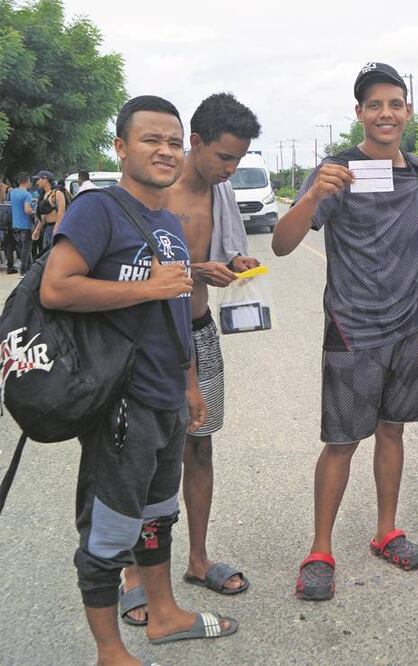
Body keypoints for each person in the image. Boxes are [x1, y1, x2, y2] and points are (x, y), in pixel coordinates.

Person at [40, 95, 237, 666]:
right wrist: (145, 288)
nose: (166, 151)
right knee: (109, 533)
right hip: (118, 403)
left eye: (174, 142)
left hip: (166, 397)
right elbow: (58, 287)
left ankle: (166, 614)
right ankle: (110, 650)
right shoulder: (97, 210)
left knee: (158, 515)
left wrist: (190, 383)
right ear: (122, 147)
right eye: (152, 139)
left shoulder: (168, 226)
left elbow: (177, 312)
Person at [273, 62, 418, 600]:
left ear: (407, 110)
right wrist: (312, 195)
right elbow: (282, 244)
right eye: (374, 104)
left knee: (393, 430)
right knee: (340, 443)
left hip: (407, 326)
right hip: (351, 327)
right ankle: (319, 549)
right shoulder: (336, 171)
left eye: (395, 103)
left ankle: (387, 532)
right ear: (359, 113)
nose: (386, 113)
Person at [117, 92, 261, 626]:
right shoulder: (156, 192)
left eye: (239, 159)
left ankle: (197, 560)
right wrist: (198, 270)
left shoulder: (218, 194)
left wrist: (228, 264)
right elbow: (141, 273)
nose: (231, 169)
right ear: (195, 143)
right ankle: (134, 573)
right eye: (224, 157)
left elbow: (203, 261)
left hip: (198, 329)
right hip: (150, 337)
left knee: (199, 446)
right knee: (145, 456)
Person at [32, 170, 66, 251]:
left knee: (54, 253)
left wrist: (56, 228)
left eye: (39, 179)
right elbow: (43, 216)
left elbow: (61, 211)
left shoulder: (57, 193)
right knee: (46, 254)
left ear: (45, 179)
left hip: (55, 227)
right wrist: (37, 230)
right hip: (47, 229)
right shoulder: (43, 195)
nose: (37, 182)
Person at [8, 175, 34, 274]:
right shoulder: (27, 194)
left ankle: (30, 267)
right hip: (25, 224)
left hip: (15, 224)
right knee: (26, 248)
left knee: (21, 247)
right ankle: (24, 271)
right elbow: (27, 210)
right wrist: (34, 211)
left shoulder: (12, 192)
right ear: (27, 182)